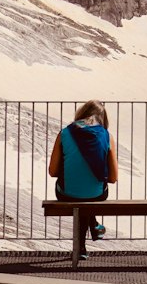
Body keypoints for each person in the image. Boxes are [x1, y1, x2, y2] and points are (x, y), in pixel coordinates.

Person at [48, 100, 118, 259]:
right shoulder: (107, 136)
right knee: (89, 197)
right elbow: (113, 178)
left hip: (67, 194)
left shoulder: (65, 133)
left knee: (77, 194)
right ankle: (91, 228)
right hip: (97, 195)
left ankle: (82, 246)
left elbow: (52, 171)